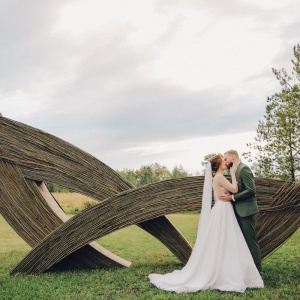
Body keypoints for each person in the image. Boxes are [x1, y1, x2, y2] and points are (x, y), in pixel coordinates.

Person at [148, 155, 264, 293]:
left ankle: (226, 268)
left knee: (225, 240)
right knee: (227, 239)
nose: (225, 163)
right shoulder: (220, 177)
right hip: (224, 209)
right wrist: (233, 174)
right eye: (223, 161)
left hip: (222, 208)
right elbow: (234, 189)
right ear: (218, 165)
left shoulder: (217, 178)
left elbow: (217, 197)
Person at [219, 150, 262, 275]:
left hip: (246, 211)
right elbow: (239, 189)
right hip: (238, 210)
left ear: (233, 157)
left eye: (226, 159)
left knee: (251, 243)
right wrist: (231, 193)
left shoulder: (243, 169)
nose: (225, 162)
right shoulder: (235, 171)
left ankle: (259, 274)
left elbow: (251, 190)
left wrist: (232, 197)